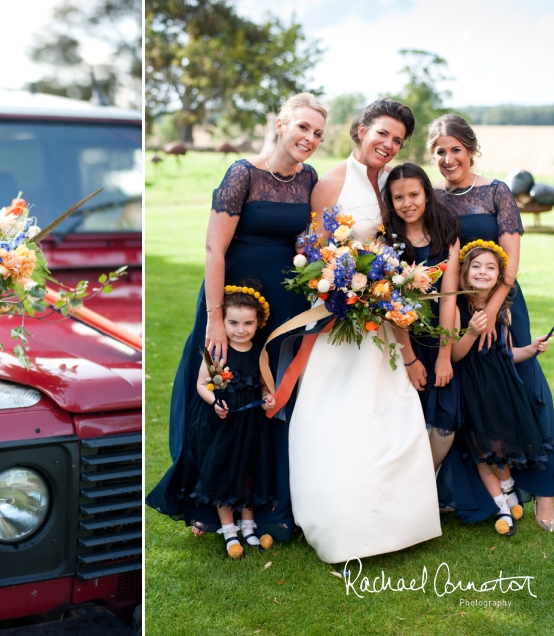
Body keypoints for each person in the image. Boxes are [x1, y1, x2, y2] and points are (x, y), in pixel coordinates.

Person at [146, 93, 328, 541]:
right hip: (230, 307)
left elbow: (309, 243)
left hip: (283, 307)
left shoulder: (309, 179)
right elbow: (214, 248)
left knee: (270, 399)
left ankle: (266, 504)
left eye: (319, 133)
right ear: (282, 124)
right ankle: (208, 503)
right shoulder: (242, 173)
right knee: (219, 398)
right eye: (303, 127)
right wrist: (213, 317)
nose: (310, 138)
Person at [288, 99, 442, 564]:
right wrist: (347, 288)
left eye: (397, 140)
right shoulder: (333, 182)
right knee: (339, 416)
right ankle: (343, 525)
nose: (389, 145)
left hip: (381, 319)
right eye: (382, 134)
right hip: (341, 318)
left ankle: (398, 523)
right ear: (360, 130)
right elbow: (315, 253)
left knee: (388, 411)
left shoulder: (392, 184)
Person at [429, 114, 554, 531]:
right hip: (455, 305)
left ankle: (544, 496)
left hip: (503, 304)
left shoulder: (497, 192)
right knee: (469, 397)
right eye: (440, 151)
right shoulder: (432, 197)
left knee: (526, 389)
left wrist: (492, 311)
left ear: (471, 150)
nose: (449, 158)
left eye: (456, 149)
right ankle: (478, 493)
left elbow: (512, 265)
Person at [166, 286, 278, 558]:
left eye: (248, 323)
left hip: (251, 425)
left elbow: (264, 386)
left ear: (258, 323)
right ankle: (229, 531)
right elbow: (202, 384)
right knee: (222, 472)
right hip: (223, 425)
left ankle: (248, 526)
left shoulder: (260, 352)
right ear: (223, 322)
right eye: (234, 323)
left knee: (249, 472)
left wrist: (267, 397)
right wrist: (215, 402)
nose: (241, 329)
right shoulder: (216, 352)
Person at [451, 243, 554, 536]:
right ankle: (504, 507)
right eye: (477, 266)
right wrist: (471, 331)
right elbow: (456, 355)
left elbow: (508, 353)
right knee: (480, 452)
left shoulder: (502, 311)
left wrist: (532, 349)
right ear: (466, 271)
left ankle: (508, 494)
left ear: (499, 278)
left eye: (490, 268)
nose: (483, 272)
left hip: (499, 389)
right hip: (471, 389)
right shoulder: (457, 307)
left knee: (498, 450)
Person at [381, 163, 462, 469]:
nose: (407, 203)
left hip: (437, 337)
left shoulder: (447, 232)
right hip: (403, 340)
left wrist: (444, 355)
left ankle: (424, 482)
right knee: (407, 419)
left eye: (413, 194)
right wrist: (410, 360)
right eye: (398, 197)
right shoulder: (388, 242)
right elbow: (392, 306)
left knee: (446, 424)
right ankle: (413, 487)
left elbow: (448, 298)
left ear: (427, 193)